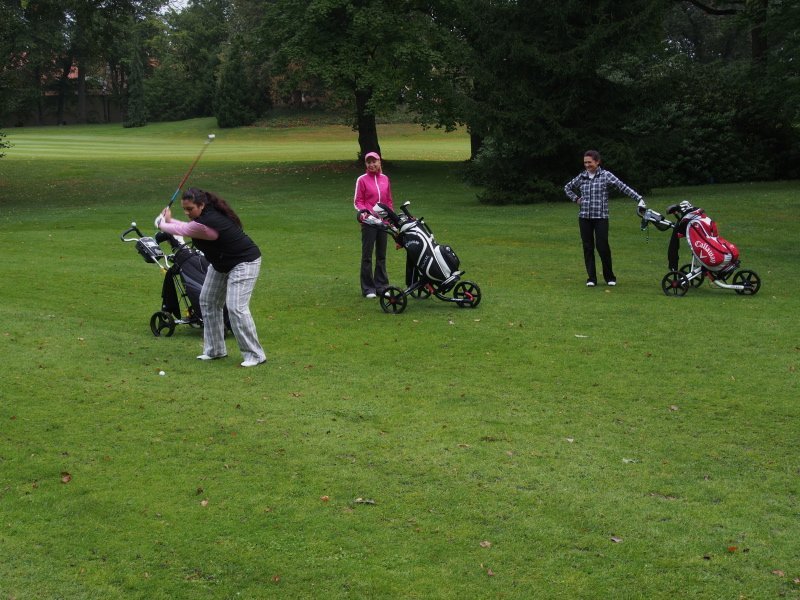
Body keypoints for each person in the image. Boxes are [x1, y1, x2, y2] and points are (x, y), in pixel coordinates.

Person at [157, 188, 267, 367]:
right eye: (184, 209)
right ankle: (215, 350)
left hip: (244, 262)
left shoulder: (208, 222)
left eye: (190, 209)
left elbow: (185, 229)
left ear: (201, 205)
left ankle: (255, 355)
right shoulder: (202, 217)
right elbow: (186, 227)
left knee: (236, 308)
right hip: (221, 263)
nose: (187, 213)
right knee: (208, 301)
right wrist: (168, 221)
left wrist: (162, 224)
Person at [564, 150, 646, 287]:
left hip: (601, 217)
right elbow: (567, 188)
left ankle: (609, 277)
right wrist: (576, 199)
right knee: (588, 247)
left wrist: (639, 199)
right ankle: (591, 278)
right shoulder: (582, 177)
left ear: (597, 162)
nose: (587, 165)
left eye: (589, 162)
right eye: (585, 162)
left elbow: (622, 187)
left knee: (602, 246)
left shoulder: (606, 175)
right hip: (584, 217)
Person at [353, 151, 394, 298]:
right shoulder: (362, 180)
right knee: (367, 256)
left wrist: (390, 218)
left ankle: (382, 286)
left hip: (383, 223)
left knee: (381, 255)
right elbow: (358, 201)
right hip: (369, 222)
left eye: (374, 161)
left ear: (379, 162)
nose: (371, 164)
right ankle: (368, 288)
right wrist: (367, 214)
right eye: (368, 162)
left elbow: (388, 201)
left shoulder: (385, 179)